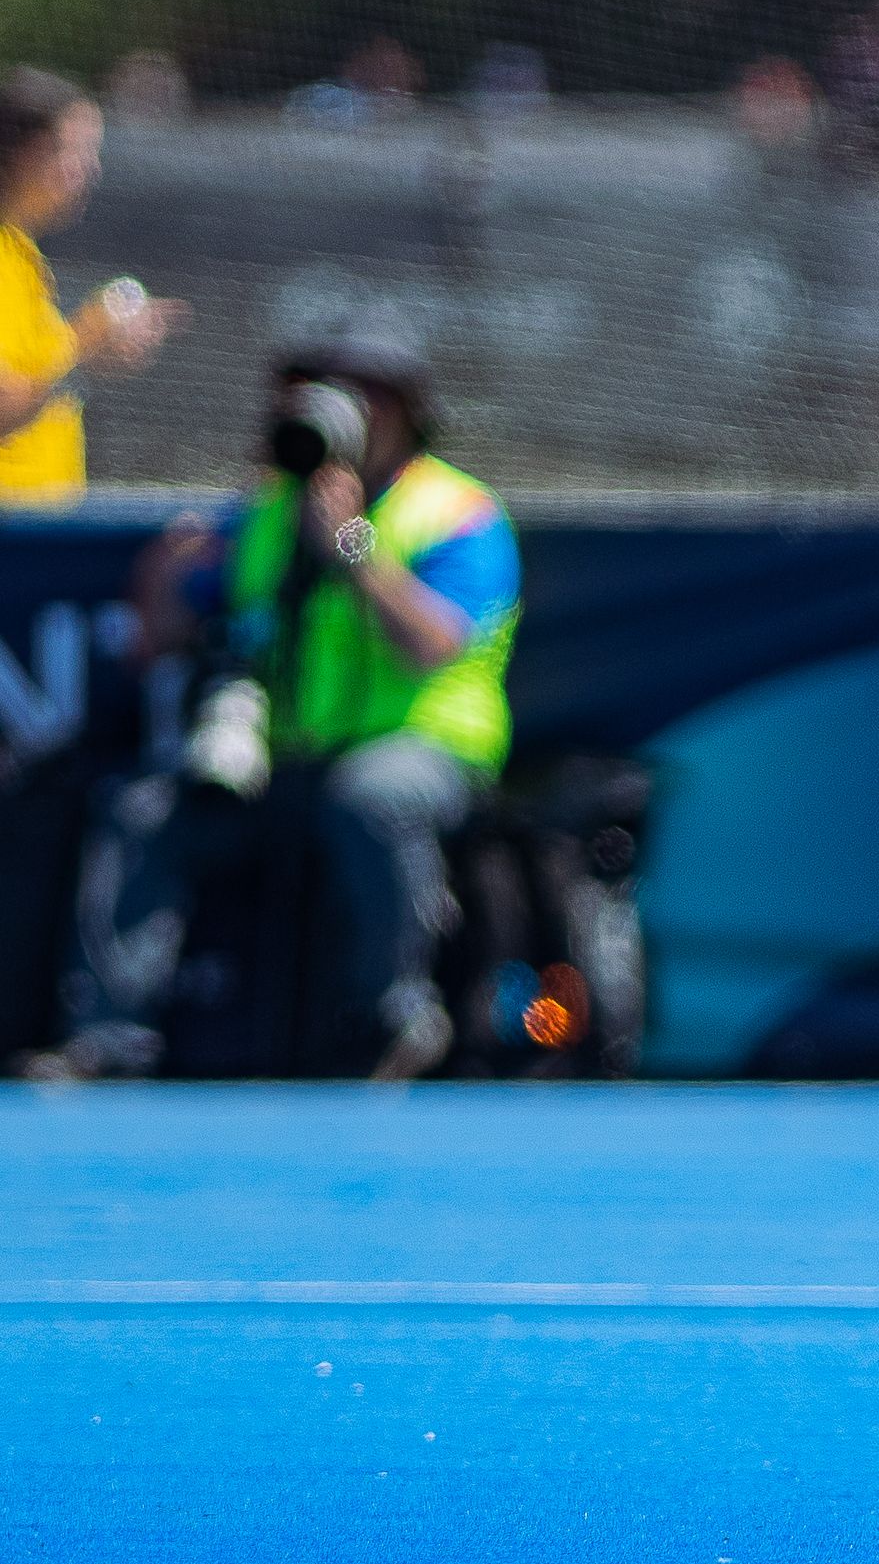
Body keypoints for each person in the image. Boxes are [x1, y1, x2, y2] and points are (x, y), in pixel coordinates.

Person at [24, 338, 518, 1082]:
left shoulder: (457, 512)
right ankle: (108, 1039)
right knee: (145, 810)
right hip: (281, 763)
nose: (335, 409)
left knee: (374, 798)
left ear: (405, 410)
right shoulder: (267, 510)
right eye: (318, 391)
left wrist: (350, 544)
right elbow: (159, 645)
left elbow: (433, 643)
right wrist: (165, 574)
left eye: (361, 393)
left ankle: (392, 1023)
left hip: (420, 751)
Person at [0, 66, 183, 506]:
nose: (92, 170)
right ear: (28, 153)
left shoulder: (22, 255)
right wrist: (87, 346)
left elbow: (39, 383)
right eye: (79, 152)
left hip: (40, 523)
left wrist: (90, 353)